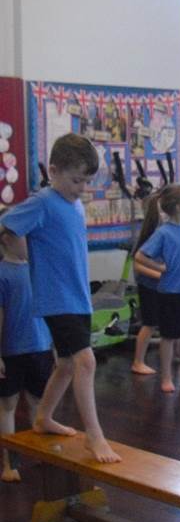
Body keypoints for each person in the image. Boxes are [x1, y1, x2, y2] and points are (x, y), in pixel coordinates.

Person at [0, 133, 120, 462]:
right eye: (76, 180)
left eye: (86, 182)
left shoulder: (74, 203)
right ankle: (94, 436)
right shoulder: (43, 201)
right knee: (86, 361)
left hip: (78, 296)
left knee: (67, 364)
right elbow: (7, 225)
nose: (81, 188)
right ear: (53, 171)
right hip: (58, 298)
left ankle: (43, 417)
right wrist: (27, 254)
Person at [135, 184, 180, 393]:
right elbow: (140, 256)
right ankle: (166, 377)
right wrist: (160, 268)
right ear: (178, 207)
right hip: (171, 291)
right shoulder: (163, 233)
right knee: (168, 336)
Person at [0, 211, 54, 481]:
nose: (29, 242)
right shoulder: (2, 273)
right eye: (24, 236)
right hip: (11, 351)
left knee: (39, 403)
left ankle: (43, 454)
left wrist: (55, 345)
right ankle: (9, 464)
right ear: (7, 239)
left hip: (40, 347)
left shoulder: (37, 270)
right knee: (8, 406)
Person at [130, 192, 164, 375]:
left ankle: (175, 354)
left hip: (162, 286)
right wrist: (159, 274)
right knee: (149, 324)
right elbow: (138, 265)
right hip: (149, 286)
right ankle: (138, 361)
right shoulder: (151, 235)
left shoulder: (166, 233)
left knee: (169, 323)